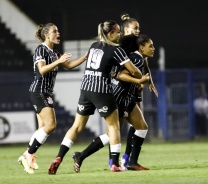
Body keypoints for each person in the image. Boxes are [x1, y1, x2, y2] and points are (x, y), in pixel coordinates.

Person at [47, 20, 143, 174]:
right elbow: (134, 71)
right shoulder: (116, 50)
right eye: (118, 32)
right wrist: (141, 78)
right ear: (110, 33)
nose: (119, 35)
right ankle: (115, 164)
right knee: (114, 127)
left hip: (85, 89)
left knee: (76, 127)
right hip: (101, 90)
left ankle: (59, 157)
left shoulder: (93, 46)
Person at [71, 34, 155, 172]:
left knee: (142, 127)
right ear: (141, 47)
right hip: (120, 98)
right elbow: (120, 74)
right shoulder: (136, 59)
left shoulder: (139, 58)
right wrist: (138, 81)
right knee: (112, 134)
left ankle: (131, 162)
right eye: (150, 46)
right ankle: (82, 155)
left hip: (127, 99)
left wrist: (142, 84)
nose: (153, 48)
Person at [17, 23, 87, 174]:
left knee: (42, 128)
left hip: (45, 92)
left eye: (58, 30)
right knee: (50, 126)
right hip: (39, 91)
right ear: (47, 35)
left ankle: (27, 155)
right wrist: (59, 62)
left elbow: (69, 65)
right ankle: (28, 154)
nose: (58, 33)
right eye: (55, 31)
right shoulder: (41, 49)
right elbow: (42, 70)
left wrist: (86, 56)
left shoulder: (54, 52)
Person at [116, 12, 158, 170]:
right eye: (135, 28)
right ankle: (115, 161)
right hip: (122, 89)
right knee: (115, 129)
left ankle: (126, 158)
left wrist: (149, 82)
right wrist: (138, 80)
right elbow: (118, 70)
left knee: (138, 124)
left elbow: (144, 65)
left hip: (134, 88)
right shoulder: (121, 45)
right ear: (126, 30)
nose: (137, 30)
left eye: (138, 28)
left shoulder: (138, 44)